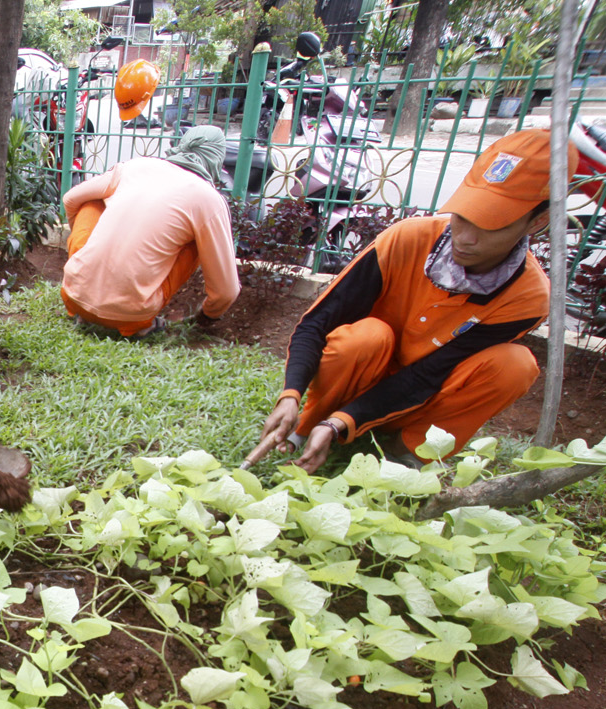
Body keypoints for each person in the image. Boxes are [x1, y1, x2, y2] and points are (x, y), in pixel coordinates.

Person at [244, 128, 577, 472]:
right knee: (368, 336)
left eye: (491, 226)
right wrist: (291, 394)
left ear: (538, 221)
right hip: (354, 379)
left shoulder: (527, 297)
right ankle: (307, 425)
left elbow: (428, 376)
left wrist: (342, 421)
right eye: (463, 216)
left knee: (514, 366)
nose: (465, 238)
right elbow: (319, 321)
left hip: (421, 401)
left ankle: (406, 452)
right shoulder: (407, 239)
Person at [60, 125, 240, 336]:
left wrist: (85, 252)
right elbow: (226, 291)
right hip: (132, 315)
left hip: (73, 295)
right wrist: (207, 316)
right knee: (201, 239)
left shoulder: (136, 166)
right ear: (217, 159)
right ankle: (143, 325)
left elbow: (70, 198)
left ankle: (85, 282)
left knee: (91, 203)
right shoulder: (208, 198)